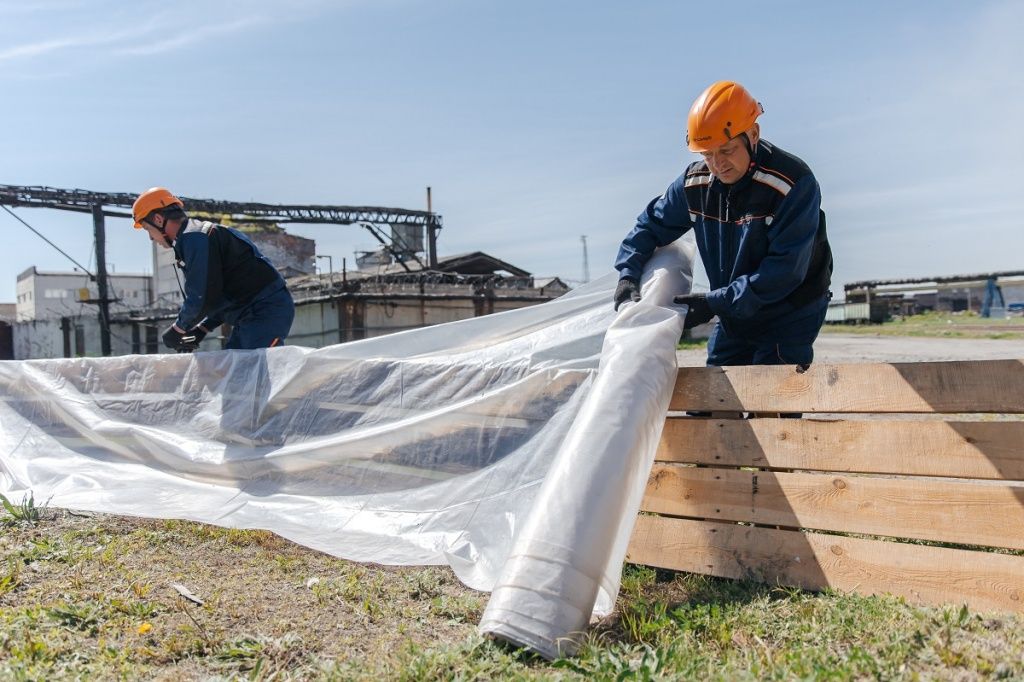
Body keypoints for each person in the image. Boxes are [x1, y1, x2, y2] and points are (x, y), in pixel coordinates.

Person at [614, 80, 832, 368]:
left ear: (753, 134)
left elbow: (784, 272)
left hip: (789, 310)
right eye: (707, 155)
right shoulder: (695, 185)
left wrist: (714, 303)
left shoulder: (792, 185)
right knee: (717, 393)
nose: (717, 165)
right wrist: (628, 274)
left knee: (772, 396)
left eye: (727, 150)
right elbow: (649, 226)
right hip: (735, 310)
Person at [131, 187, 295, 352]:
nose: (151, 237)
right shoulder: (196, 236)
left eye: (147, 229)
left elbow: (201, 296)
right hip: (253, 312)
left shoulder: (195, 239)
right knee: (238, 369)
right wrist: (202, 328)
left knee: (251, 370)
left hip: (265, 310)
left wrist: (177, 329)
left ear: (158, 219)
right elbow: (221, 293)